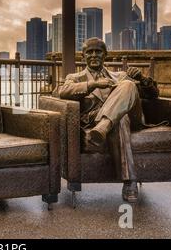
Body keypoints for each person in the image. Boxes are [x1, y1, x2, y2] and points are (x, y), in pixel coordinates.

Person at [59, 38, 159, 203]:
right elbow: (63, 91)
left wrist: (143, 79)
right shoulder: (75, 77)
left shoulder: (119, 75)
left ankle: (104, 127)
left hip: (126, 121)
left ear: (105, 55)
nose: (93, 55)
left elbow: (153, 95)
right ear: (83, 56)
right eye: (89, 52)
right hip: (99, 120)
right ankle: (129, 182)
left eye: (98, 51)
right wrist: (93, 84)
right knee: (121, 120)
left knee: (128, 85)